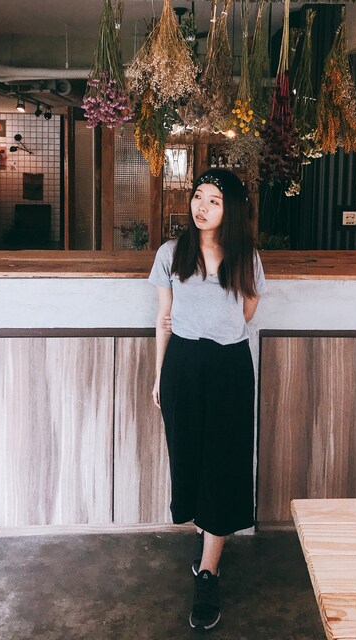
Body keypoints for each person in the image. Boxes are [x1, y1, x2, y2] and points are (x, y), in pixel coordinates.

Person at [148, 168, 266, 631]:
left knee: (223, 464)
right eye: (199, 196)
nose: (202, 206)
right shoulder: (171, 253)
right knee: (191, 458)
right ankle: (206, 535)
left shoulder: (246, 257)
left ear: (229, 209)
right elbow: (164, 317)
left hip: (229, 367)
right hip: (182, 364)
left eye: (214, 200)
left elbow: (248, 311)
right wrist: (159, 375)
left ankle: (208, 574)